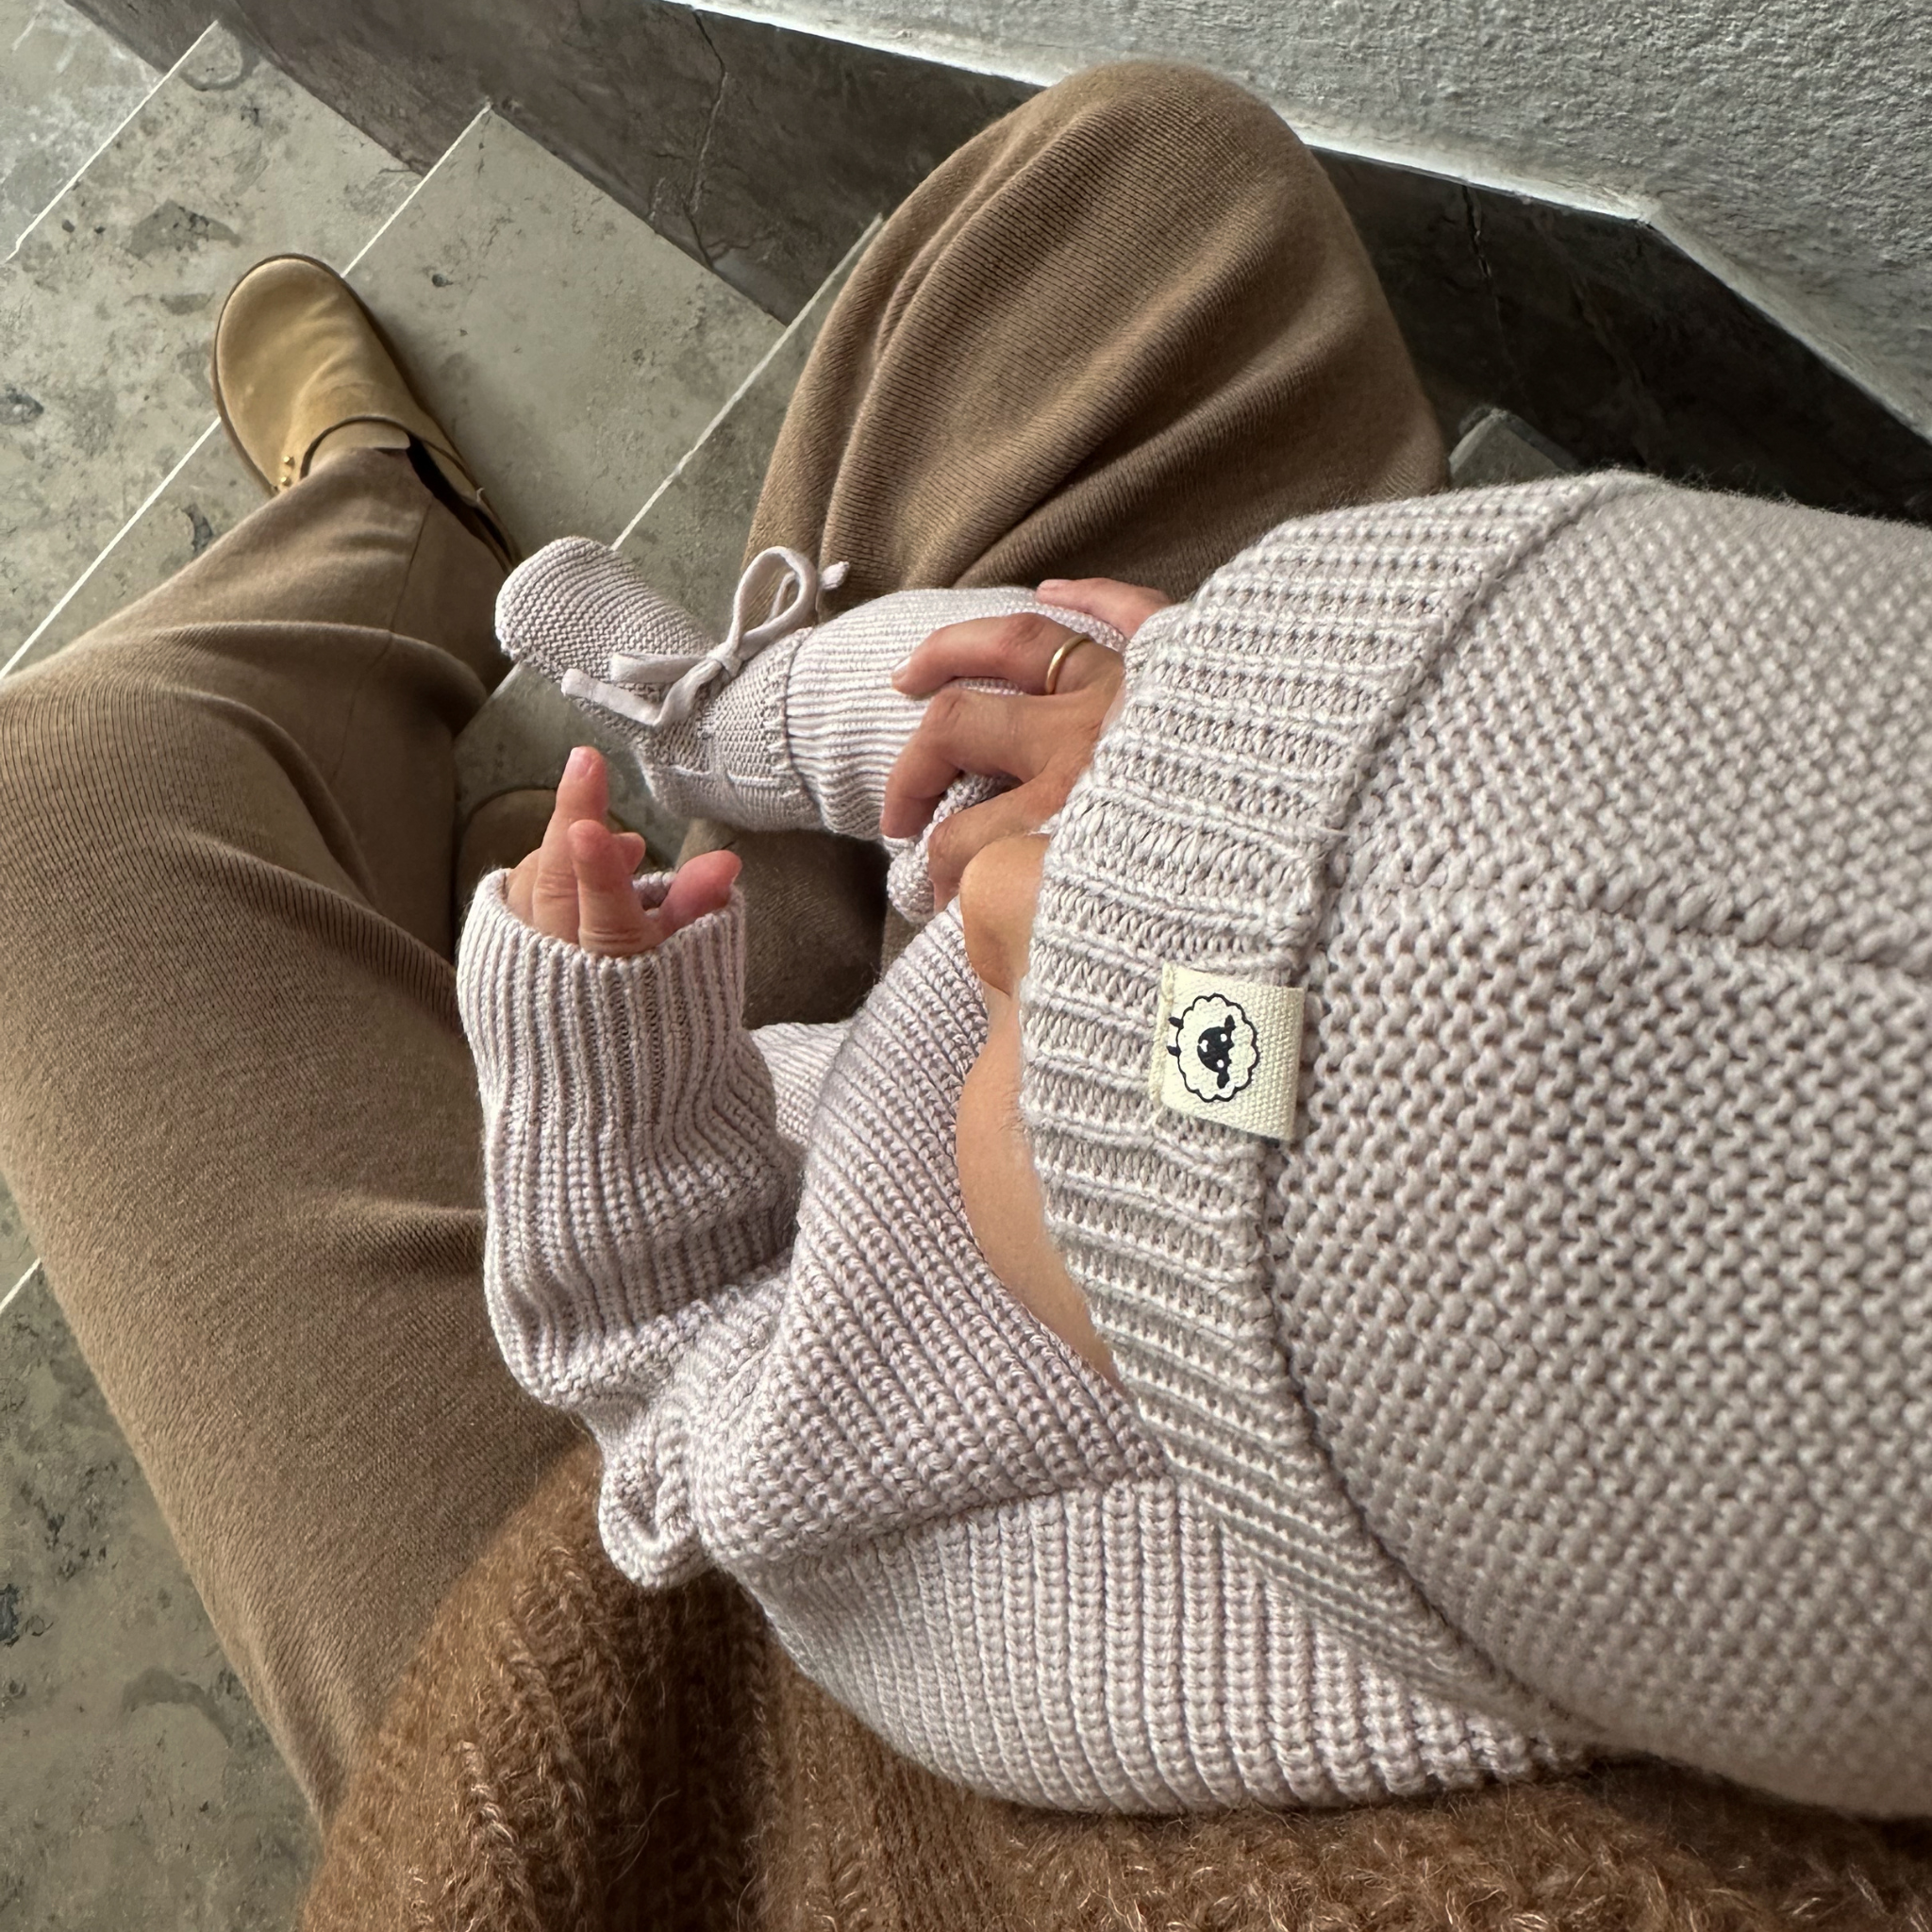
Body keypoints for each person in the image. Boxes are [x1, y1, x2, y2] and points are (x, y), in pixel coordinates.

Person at [2, 55, 1929, 1929]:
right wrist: (1121, 732)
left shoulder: (991, 1599)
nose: (1010, 893)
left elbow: (659, 1390)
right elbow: (1214, 973)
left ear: (1223, 1401)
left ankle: (384, 530)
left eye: (1094, 1027)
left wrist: (603, 1069)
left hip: (711, 1384)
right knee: (1149, 180)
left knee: (58, 804)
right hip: (975, 1100)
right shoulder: (1262, 1143)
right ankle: (631, 703)